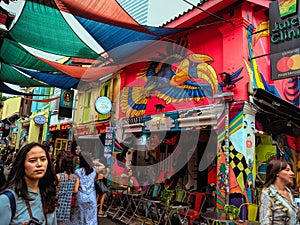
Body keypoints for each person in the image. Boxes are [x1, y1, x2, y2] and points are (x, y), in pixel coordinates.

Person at [0, 142, 58, 225]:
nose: (39, 164)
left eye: (43, 159)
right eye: (32, 161)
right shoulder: (7, 199)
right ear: (22, 164)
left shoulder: (48, 193)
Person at [259, 160, 300, 225]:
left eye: (291, 170)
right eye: (287, 170)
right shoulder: (268, 193)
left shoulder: (288, 192)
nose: (292, 173)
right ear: (277, 173)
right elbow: (265, 222)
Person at [67, 151, 98, 225]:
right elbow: (102, 166)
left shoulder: (78, 171)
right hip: (91, 196)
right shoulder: (94, 170)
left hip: (81, 196)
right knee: (91, 217)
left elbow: (76, 186)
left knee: (79, 217)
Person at [56, 155, 79, 225]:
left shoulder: (59, 176)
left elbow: (54, 189)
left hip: (57, 203)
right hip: (67, 205)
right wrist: (68, 192)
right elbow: (75, 191)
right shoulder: (75, 178)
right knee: (63, 222)